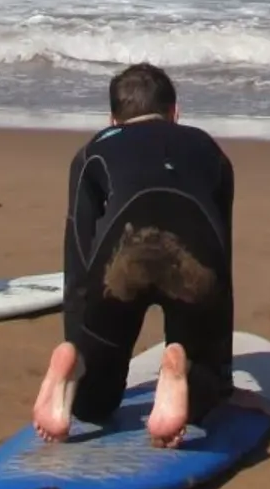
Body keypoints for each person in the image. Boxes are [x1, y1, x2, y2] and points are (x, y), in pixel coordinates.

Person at [33, 64, 239, 448]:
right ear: (176, 112)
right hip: (193, 264)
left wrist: (79, 341)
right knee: (204, 390)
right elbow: (221, 257)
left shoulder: (93, 151)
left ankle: (71, 365)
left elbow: (78, 255)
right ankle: (181, 361)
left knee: (94, 404)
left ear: (112, 118)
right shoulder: (209, 149)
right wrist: (220, 375)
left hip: (122, 261)